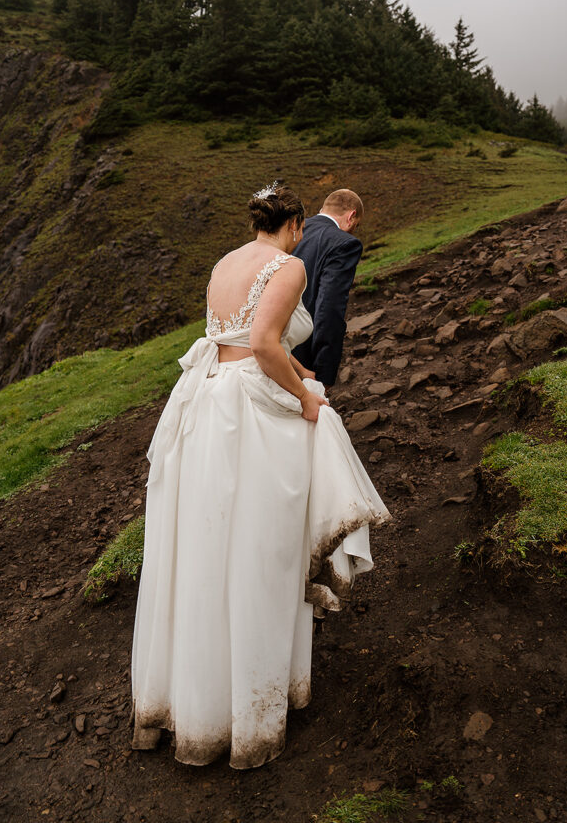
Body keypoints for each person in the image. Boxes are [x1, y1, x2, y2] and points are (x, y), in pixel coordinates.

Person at [130, 182, 389, 770]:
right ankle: (255, 691)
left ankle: (192, 697)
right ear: (294, 222)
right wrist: (304, 396)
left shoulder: (226, 262)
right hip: (246, 402)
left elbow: (231, 336)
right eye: (300, 227)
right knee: (264, 529)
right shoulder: (287, 266)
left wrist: (296, 369)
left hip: (206, 395)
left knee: (206, 535)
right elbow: (267, 346)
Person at [291, 189, 364, 387]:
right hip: (303, 356)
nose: (352, 231)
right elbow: (329, 308)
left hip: (263, 347)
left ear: (323, 208)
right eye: (355, 226)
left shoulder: (291, 230)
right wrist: (324, 373)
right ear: (351, 216)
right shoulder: (344, 244)